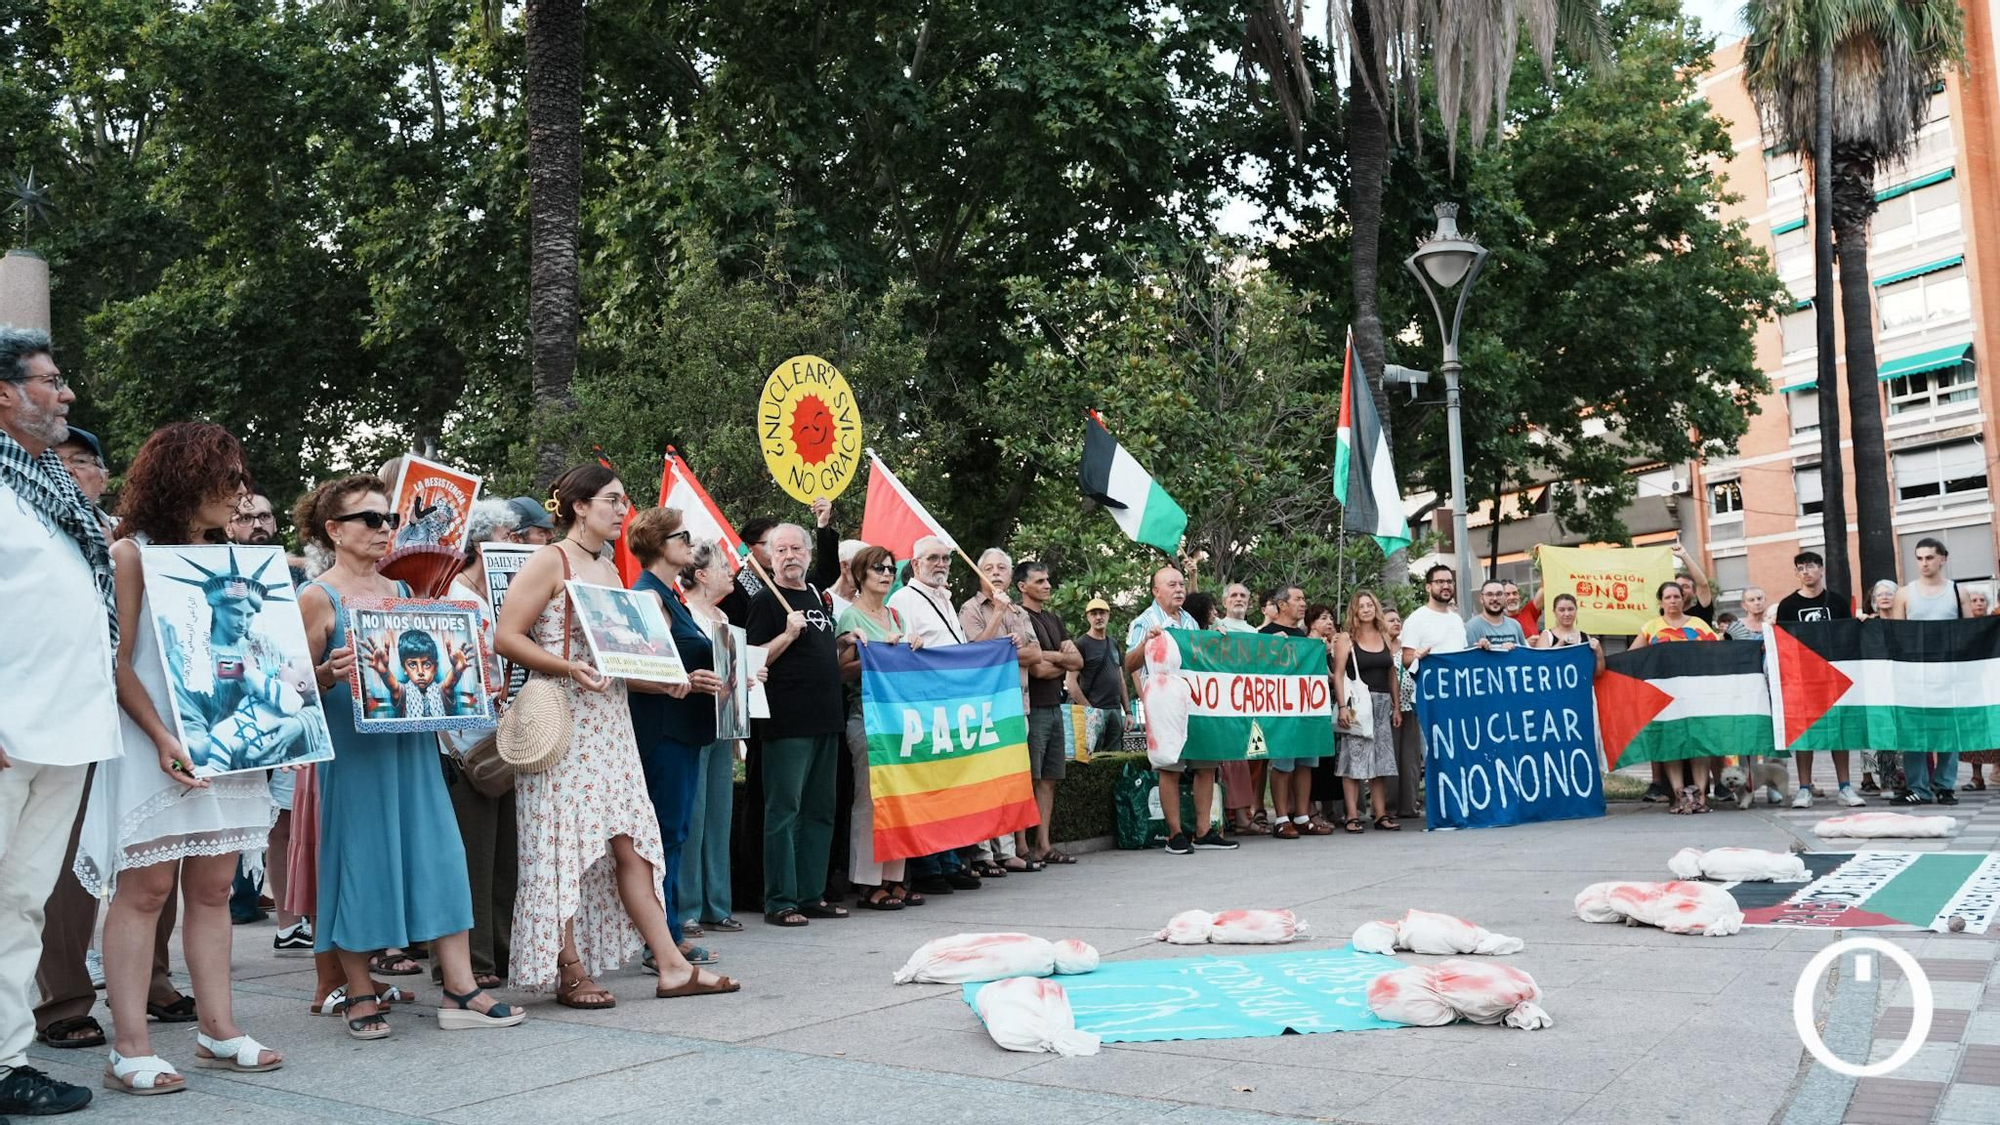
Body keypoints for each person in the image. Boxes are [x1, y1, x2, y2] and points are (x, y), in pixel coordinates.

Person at [72, 422, 284, 1092]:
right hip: (153, 741)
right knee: (146, 888)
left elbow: (258, 655)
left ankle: (217, 1029)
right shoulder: (132, 554)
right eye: (228, 478)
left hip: (228, 743)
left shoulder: (241, 560)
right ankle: (129, 1044)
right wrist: (162, 735)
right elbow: (119, 659)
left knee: (215, 888)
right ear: (186, 480)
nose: (241, 493)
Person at [296, 474, 530, 1037]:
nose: (384, 530)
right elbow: (293, 687)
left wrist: (466, 676)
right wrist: (326, 675)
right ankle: (357, 990)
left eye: (389, 520)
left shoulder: (401, 593)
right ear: (334, 530)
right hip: (356, 758)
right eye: (370, 520)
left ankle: (459, 987)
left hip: (414, 749)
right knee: (362, 864)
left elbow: (428, 671)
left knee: (442, 859)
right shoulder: (316, 595)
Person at [0, 326, 120, 1118]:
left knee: (20, 902)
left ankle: (6, 1061)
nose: (65, 393)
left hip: (64, 729)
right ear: (3, 394)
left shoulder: (47, 482)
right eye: (49, 380)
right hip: (8, 732)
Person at [626, 507, 730, 968]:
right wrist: (690, 677)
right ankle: (661, 939)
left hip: (682, 729)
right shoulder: (647, 596)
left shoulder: (667, 595)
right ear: (660, 545)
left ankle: (665, 935)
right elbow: (642, 667)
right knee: (666, 834)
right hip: (664, 730)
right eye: (681, 535)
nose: (689, 541)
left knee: (675, 832)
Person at [433, 499, 520, 990]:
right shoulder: (452, 596)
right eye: (508, 537)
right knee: (472, 854)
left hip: (497, 736)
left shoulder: (492, 597)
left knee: (504, 854)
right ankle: (471, 961)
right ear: (483, 544)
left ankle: (501, 951)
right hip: (461, 741)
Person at [744, 522, 847, 925]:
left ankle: (811, 894)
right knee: (784, 810)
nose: (789, 556)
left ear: (806, 554)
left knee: (821, 810)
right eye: (780, 549)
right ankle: (780, 899)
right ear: (769, 556)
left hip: (826, 716)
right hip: (787, 720)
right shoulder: (766, 602)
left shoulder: (817, 596)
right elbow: (754, 659)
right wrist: (786, 637)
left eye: (795, 549)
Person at [885, 537, 981, 896]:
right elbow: (903, 648)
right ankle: (927, 865)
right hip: (923, 705)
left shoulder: (945, 597)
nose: (940, 564)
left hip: (950, 704)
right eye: (932, 558)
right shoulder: (903, 600)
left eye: (945, 559)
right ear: (915, 562)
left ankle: (949, 859)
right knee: (927, 787)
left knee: (949, 787)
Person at [1124, 566, 1236, 854]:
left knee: (1205, 764)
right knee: (1170, 767)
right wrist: (1147, 642)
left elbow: (1202, 659)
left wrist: (1216, 639)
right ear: (1155, 590)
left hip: (1196, 702)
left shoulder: (1189, 620)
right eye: (1171, 584)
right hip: (1164, 704)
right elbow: (1130, 664)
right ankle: (1175, 834)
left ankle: (1203, 831)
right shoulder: (1144, 621)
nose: (1179, 589)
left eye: (1181, 584)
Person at [835, 545, 921, 909]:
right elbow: (841, 671)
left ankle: (894, 877)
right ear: (860, 575)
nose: (886, 574)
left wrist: (914, 647)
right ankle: (868, 882)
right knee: (869, 799)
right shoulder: (850, 618)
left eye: (889, 568)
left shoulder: (898, 616)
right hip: (865, 717)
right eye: (877, 569)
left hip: (899, 720)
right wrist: (876, 656)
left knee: (898, 797)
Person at [958, 548, 1042, 875]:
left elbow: (1035, 654)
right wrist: (1003, 641)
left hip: (1015, 704)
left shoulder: (1020, 612)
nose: (995, 573)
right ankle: (983, 853)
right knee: (982, 779)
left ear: (1010, 576)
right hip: (981, 706)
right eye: (989, 568)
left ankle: (1007, 851)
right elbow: (974, 652)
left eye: (1002, 568)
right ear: (979, 573)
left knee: (1009, 780)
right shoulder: (969, 608)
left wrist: (1004, 649)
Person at [678, 539, 748, 932]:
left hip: (726, 722)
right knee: (694, 814)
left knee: (719, 814)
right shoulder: (683, 613)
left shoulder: (723, 617)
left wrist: (748, 677)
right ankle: (687, 907)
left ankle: (717, 904)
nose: (730, 571)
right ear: (701, 575)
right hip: (693, 719)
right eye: (723, 565)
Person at [1775, 550, 1861, 808]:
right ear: (1796, 573)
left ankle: (1845, 787)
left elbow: (1848, 636)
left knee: (1839, 733)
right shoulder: (1788, 605)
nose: (1806, 572)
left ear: (1821, 569)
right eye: (1800, 568)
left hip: (1834, 677)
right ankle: (1804, 788)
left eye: (1811, 566)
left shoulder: (1836, 602)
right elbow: (1783, 642)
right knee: (1804, 732)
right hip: (1802, 678)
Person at [1629, 581, 1722, 812]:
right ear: (1661, 601)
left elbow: (1719, 652)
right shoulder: (1651, 626)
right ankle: (1680, 795)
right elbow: (1631, 656)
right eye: (1668, 597)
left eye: (1676, 596)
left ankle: (1700, 797)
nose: (1672, 601)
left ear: (1684, 599)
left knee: (1699, 743)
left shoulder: (1699, 624)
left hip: (1697, 692)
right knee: (1671, 743)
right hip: (1665, 696)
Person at [1889, 537, 1966, 806]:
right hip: (1914, 675)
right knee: (1913, 733)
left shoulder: (1958, 592)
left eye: (1930, 557)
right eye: (1919, 558)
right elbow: (1896, 636)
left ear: (1943, 558)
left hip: (1949, 675)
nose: (1924, 563)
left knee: (1948, 732)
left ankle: (1945, 786)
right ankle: (1918, 788)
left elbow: (1970, 635)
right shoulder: (1905, 593)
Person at [1017, 561, 1081, 865]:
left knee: (1049, 779)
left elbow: (1078, 661)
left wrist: (1050, 657)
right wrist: (1060, 658)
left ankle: (1043, 844)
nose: (1047, 585)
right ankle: (1020, 846)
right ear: (1022, 587)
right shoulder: (1019, 618)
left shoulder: (1054, 620)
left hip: (1056, 707)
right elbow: (1038, 669)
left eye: (1047, 580)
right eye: (1040, 581)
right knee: (1027, 778)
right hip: (1031, 709)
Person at [1332, 591, 1402, 833]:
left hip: (1382, 703)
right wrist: (1342, 707)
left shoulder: (1384, 635)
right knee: (1353, 759)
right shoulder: (1345, 638)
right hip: (1355, 705)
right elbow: (1339, 674)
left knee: (1381, 760)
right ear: (1354, 610)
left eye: (1370, 604)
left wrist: (1397, 705)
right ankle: (1352, 815)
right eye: (1361, 605)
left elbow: (1392, 672)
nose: (1366, 609)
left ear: (1376, 607)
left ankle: (1380, 814)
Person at [1259, 585, 1320, 839]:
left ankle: (1302, 816)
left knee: (1306, 762)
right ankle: (1281, 818)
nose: (1303, 603)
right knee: (1283, 763)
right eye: (1298, 599)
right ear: (1282, 605)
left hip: (1305, 708)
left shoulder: (1306, 637)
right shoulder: (1265, 634)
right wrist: (1271, 649)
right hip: (1280, 711)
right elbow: (1256, 669)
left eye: (1304, 598)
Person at [1070, 598, 1128, 756]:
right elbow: (1071, 683)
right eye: (1093, 614)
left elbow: (1120, 679)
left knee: (1116, 758)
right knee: (1091, 758)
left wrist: (1128, 711)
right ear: (1088, 617)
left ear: (1108, 615)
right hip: (1092, 711)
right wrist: (1090, 710)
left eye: (1102, 613)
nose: (1098, 617)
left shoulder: (1114, 643)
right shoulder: (1081, 644)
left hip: (1115, 711)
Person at [1382, 607, 1423, 819]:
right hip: (1387, 708)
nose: (1396, 623)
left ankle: (1409, 805)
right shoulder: (1379, 646)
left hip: (1411, 707)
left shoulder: (1407, 647)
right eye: (1391, 620)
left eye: (1398, 620)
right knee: (1391, 757)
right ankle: (1388, 805)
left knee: (1410, 758)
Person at [1528, 593, 1606, 674]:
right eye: (1561, 610)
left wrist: (1599, 652)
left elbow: (1598, 672)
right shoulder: (1547, 636)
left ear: (1576, 610)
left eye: (1570, 609)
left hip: (1581, 685)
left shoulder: (1585, 637)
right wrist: (1559, 644)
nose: (1567, 614)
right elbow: (1541, 665)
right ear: (1554, 612)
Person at [1465, 580, 1527, 650]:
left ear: (1504, 597)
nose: (1495, 598)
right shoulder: (1472, 627)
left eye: (1499, 594)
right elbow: (1469, 659)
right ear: (1481, 599)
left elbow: (1525, 656)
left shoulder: (1515, 625)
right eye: (1489, 594)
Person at [1672, 544, 1717, 625]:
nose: (1680, 590)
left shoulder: (1702, 611)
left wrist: (1684, 555)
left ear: (1694, 592)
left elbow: (1702, 584)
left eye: (1685, 586)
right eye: (1677, 586)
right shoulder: (1665, 616)